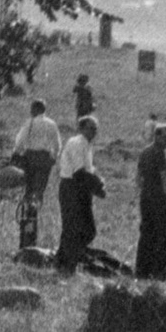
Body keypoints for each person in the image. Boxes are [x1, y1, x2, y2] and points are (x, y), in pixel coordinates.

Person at [55, 116, 103, 274]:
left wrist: (97, 182)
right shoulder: (77, 143)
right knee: (75, 229)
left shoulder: (87, 145)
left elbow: (87, 170)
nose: (93, 132)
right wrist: (97, 185)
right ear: (81, 128)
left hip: (81, 189)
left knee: (84, 230)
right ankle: (67, 265)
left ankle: (64, 261)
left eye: (95, 129)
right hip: (72, 188)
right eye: (90, 128)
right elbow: (79, 173)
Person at [11, 98, 63, 236]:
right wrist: (54, 157)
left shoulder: (29, 123)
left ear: (35, 109)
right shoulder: (51, 124)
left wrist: (16, 153)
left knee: (29, 188)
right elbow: (57, 143)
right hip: (44, 158)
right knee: (40, 188)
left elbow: (20, 140)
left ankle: (27, 220)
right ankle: (35, 215)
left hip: (30, 157)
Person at [134, 122, 166, 281]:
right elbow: (164, 179)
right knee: (164, 237)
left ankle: (142, 271)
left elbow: (138, 178)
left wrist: (143, 193)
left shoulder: (144, 151)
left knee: (146, 235)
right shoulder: (159, 153)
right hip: (159, 200)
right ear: (158, 136)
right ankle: (159, 273)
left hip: (145, 199)